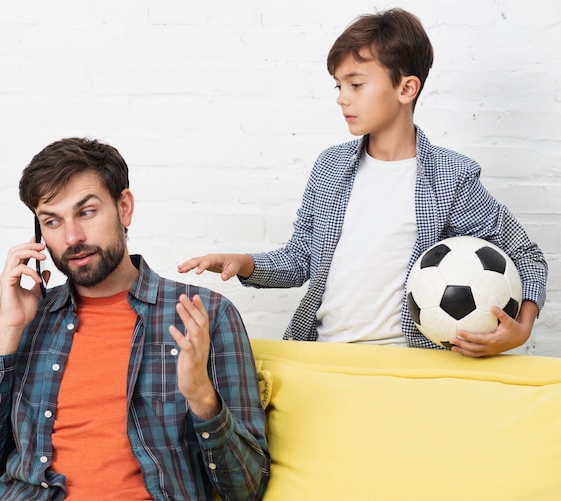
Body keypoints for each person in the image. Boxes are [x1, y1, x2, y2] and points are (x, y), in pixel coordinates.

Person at [178, 8, 548, 358]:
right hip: (323, 353)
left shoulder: (452, 178)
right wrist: (242, 262)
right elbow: (300, 259)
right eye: (338, 86)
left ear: (406, 89)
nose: (342, 99)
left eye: (356, 84)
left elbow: (527, 257)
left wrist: (522, 327)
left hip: (406, 365)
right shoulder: (331, 167)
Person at [0, 138, 270, 500]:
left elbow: (246, 489)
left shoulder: (205, 315)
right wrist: (5, 332)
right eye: (52, 221)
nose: (72, 238)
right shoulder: (16, 322)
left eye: (86, 212)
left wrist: (202, 398)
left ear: (124, 208)